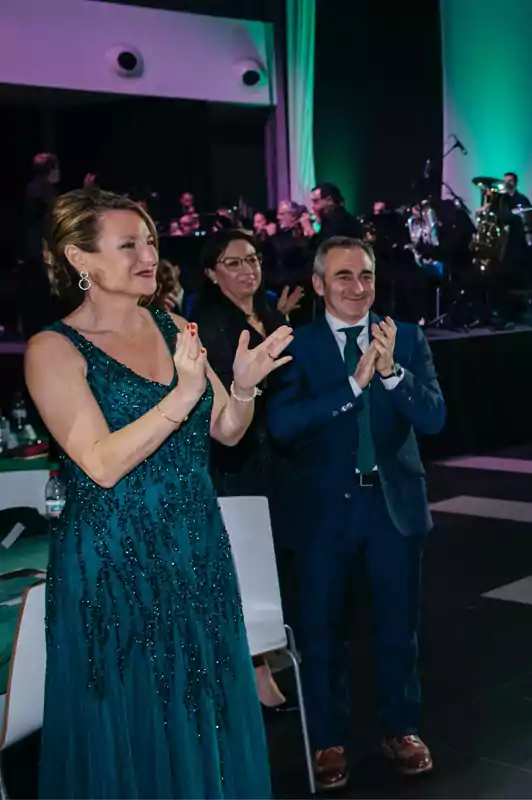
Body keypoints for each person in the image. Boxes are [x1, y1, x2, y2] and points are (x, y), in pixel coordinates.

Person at [26, 187, 293, 797]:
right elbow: (97, 463)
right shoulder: (52, 350)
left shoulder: (172, 326)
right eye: (129, 245)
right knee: (131, 712)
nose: (148, 254)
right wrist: (179, 399)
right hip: (112, 561)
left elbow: (226, 431)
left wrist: (245, 387)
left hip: (195, 549)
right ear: (80, 260)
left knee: (203, 709)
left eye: (149, 241)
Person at [267, 236, 446, 792]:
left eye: (365, 275)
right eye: (343, 276)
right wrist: (353, 386)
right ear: (318, 285)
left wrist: (392, 374)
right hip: (323, 512)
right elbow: (282, 424)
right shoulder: (295, 345)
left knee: (399, 630)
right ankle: (327, 741)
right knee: (321, 634)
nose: (357, 287)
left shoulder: (407, 339)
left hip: (393, 509)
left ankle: (401, 729)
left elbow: (436, 418)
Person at [189, 229, 303, 714]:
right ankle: (254, 674)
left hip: (277, 452)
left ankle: (262, 659)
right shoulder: (212, 322)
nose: (247, 269)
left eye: (252, 259)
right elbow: (224, 407)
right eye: (233, 263)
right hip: (238, 459)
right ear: (213, 274)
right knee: (248, 567)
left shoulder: (266, 311)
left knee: (276, 559)